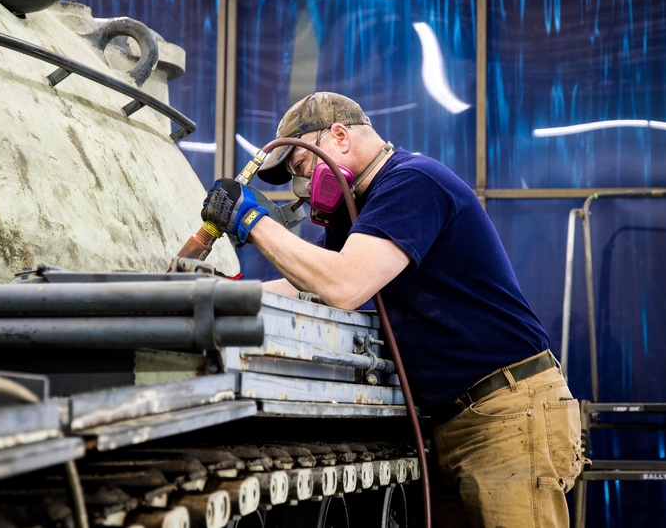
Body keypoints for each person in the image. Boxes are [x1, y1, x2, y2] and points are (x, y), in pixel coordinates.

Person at [201, 92, 583, 527]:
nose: (300, 189)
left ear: (339, 137)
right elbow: (308, 284)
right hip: (451, 421)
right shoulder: (359, 208)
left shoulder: (412, 182)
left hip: (506, 412)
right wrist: (229, 294)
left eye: (301, 168)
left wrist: (252, 221)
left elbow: (343, 284)